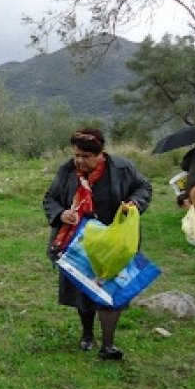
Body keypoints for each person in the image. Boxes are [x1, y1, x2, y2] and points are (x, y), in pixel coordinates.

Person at [43, 127, 152, 360]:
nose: (79, 161)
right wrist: (62, 214)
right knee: (82, 288)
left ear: (100, 154)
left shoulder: (122, 169)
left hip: (113, 241)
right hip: (78, 241)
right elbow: (50, 197)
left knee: (112, 289)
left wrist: (133, 203)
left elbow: (144, 187)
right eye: (76, 155)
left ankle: (108, 345)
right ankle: (87, 334)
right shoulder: (66, 171)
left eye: (86, 157)